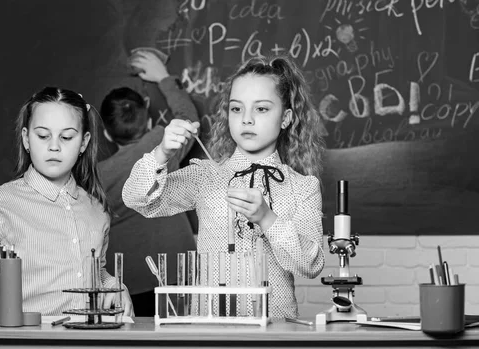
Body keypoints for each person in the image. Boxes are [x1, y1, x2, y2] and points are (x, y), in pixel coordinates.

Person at [122, 55, 326, 319]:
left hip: (275, 331)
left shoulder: (303, 187)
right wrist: (161, 153)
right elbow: (137, 199)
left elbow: (311, 264)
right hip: (211, 328)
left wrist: (267, 218)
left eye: (261, 109)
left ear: (286, 118)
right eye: (236, 109)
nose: (247, 119)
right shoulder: (206, 176)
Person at [0, 87, 133, 316]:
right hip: (27, 339)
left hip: (85, 338)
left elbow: (96, 272)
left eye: (67, 137)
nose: (54, 146)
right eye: (43, 136)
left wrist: (115, 287)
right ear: (26, 139)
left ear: (83, 142)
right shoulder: (0, 204)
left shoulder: (96, 209)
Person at [99, 50, 198, 316]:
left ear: (106, 132)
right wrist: (163, 77)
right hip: (179, 273)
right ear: (149, 117)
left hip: (126, 283)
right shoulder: (162, 144)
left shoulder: (96, 176)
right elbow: (187, 117)